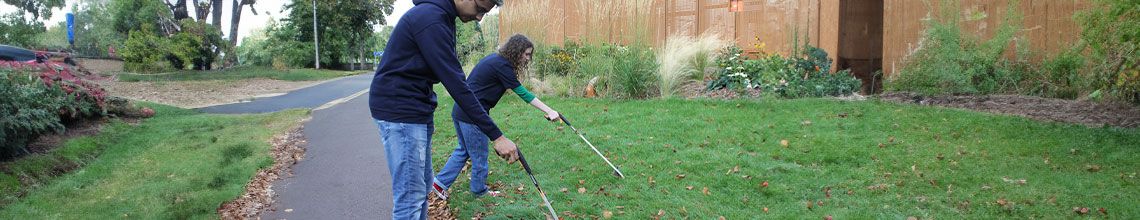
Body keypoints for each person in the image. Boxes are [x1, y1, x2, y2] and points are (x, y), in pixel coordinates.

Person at [368, 0, 514, 219]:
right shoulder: (430, 18)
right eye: (480, 9)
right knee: (410, 196)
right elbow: (456, 83)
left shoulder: (444, 17)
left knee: (423, 187)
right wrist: (497, 136)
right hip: (401, 110)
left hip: (417, 108)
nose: (480, 18)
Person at [431, 34, 559, 199]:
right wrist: (549, 110)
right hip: (473, 116)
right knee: (480, 155)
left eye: (529, 55)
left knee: (464, 150)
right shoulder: (502, 66)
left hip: (461, 110)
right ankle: (479, 192)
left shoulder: (496, 59)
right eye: (526, 54)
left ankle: (439, 183)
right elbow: (524, 94)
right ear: (516, 51)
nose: (528, 58)